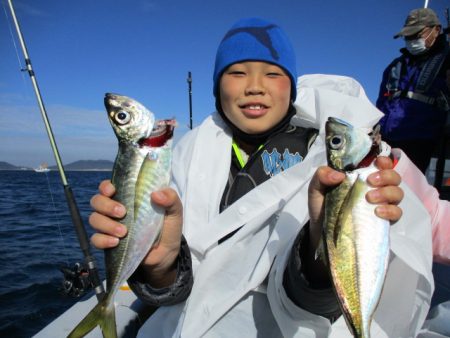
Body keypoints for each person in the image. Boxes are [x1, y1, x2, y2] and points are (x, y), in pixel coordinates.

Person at [90, 18, 434, 337]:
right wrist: (159, 267)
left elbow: (316, 303)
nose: (255, 86)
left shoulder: (328, 157)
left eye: (273, 74)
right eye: (237, 72)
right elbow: (174, 289)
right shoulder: (188, 153)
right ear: (216, 87)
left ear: (292, 87)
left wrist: (322, 244)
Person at [376, 8, 450, 174]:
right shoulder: (395, 66)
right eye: (408, 36)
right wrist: (376, 130)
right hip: (386, 142)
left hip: (423, 142)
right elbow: (381, 103)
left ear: (436, 30)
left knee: (408, 192)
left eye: (417, 34)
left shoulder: (446, 60)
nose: (411, 40)